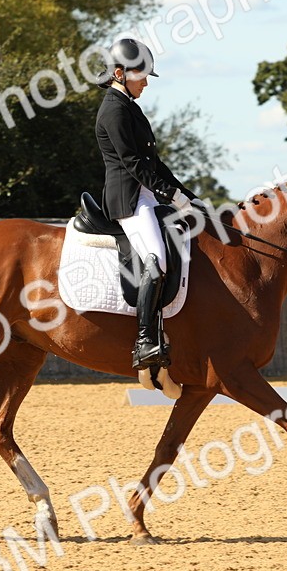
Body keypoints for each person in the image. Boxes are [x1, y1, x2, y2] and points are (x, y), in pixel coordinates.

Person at [94, 38, 205, 370]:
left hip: (145, 195)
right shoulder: (114, 110)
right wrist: (172, 195)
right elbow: (133, 165)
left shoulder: (129, 106)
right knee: (156, 260)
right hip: (128, 200)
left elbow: (155, 165)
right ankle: (144, 341)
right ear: (119, 73)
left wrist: (188, 195)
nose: (145, 82)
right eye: (141, 76)